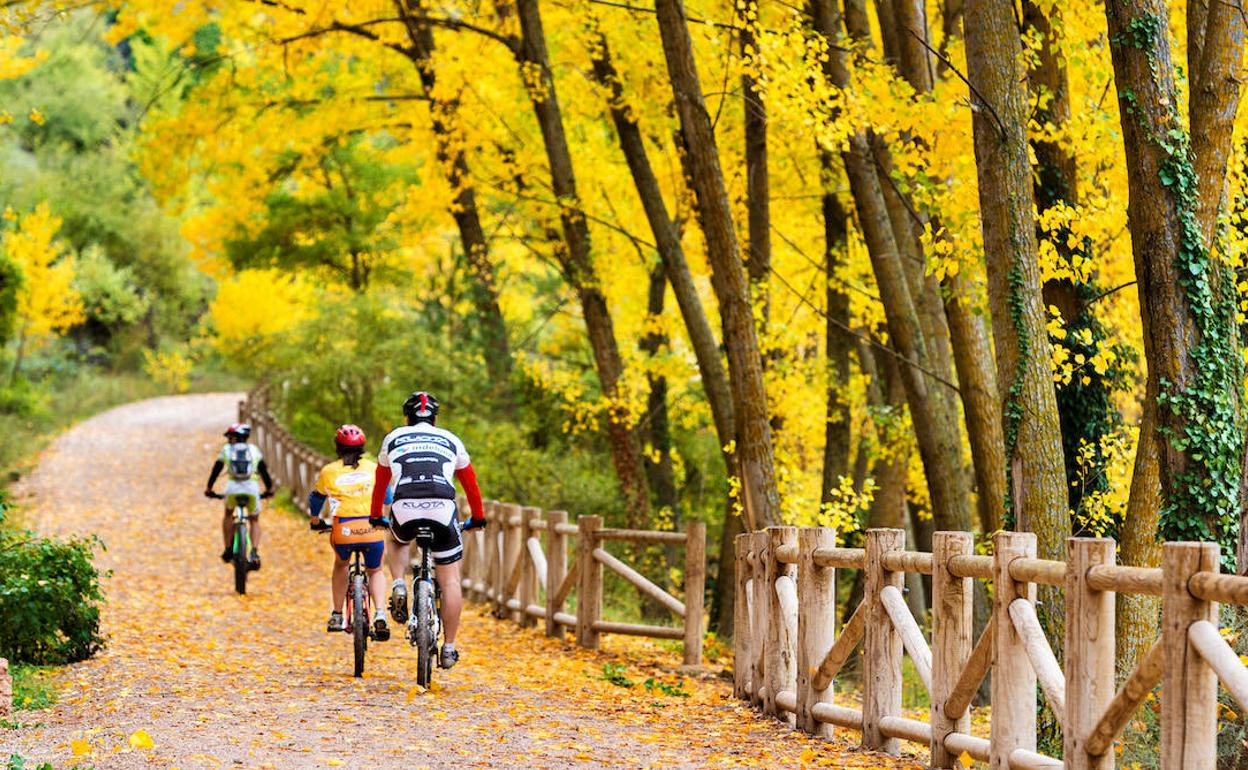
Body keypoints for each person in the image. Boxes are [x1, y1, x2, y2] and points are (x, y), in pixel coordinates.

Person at [370, 391, 485, 669]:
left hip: (404, 507)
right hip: (442, 508)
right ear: (435, 418)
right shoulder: (451, 439)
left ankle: (398, 583)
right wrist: (479, 517)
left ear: (406, 417)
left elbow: (381, 483)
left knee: (397, 540)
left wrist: (376, 515)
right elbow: (471, 485)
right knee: (450, 581)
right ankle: (449, 648)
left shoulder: (393, 438)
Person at [309, 424, 390, 641]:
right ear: (363, 447)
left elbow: (316, 498)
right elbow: (388, 498)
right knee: (375, 570)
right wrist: (386, 520)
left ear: (337, 447)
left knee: (341, 564)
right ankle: (380, 612)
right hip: (372, 529)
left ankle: (337, 614)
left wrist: (315, 520)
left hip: (343, 529)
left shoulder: (329, 471)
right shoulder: (374, 468)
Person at [204, 423, 274, 569]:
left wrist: (209, 488)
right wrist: (269, 490)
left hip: (233, 488)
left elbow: (216, 470)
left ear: (234, 438)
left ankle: (228, 548)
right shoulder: (254, 450)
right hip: (252, 488)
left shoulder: (227, 450)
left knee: (228, 514)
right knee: (254, 520)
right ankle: (254, 552)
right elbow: (264, 472)